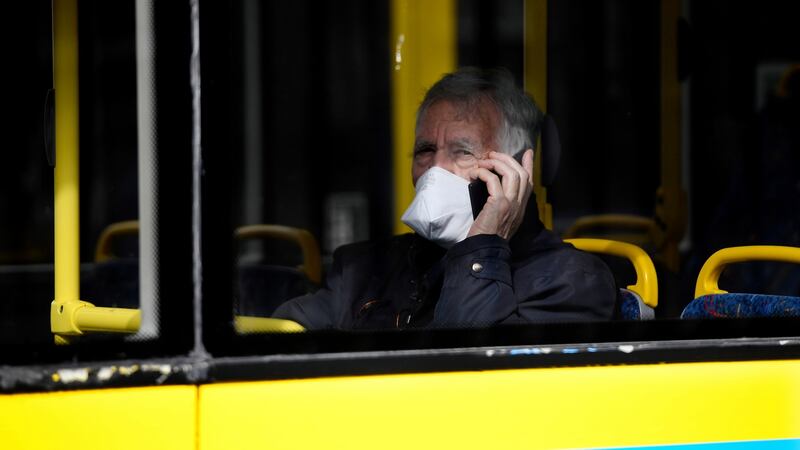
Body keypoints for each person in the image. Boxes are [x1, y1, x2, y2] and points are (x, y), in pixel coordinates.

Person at [273, 67, 616, 329]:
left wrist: (484, 246)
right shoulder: (365, 269)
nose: (435, 168)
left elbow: (473, 379)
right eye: (425, 150)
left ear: (516, 171)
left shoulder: (569, 281)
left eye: (462, 152)